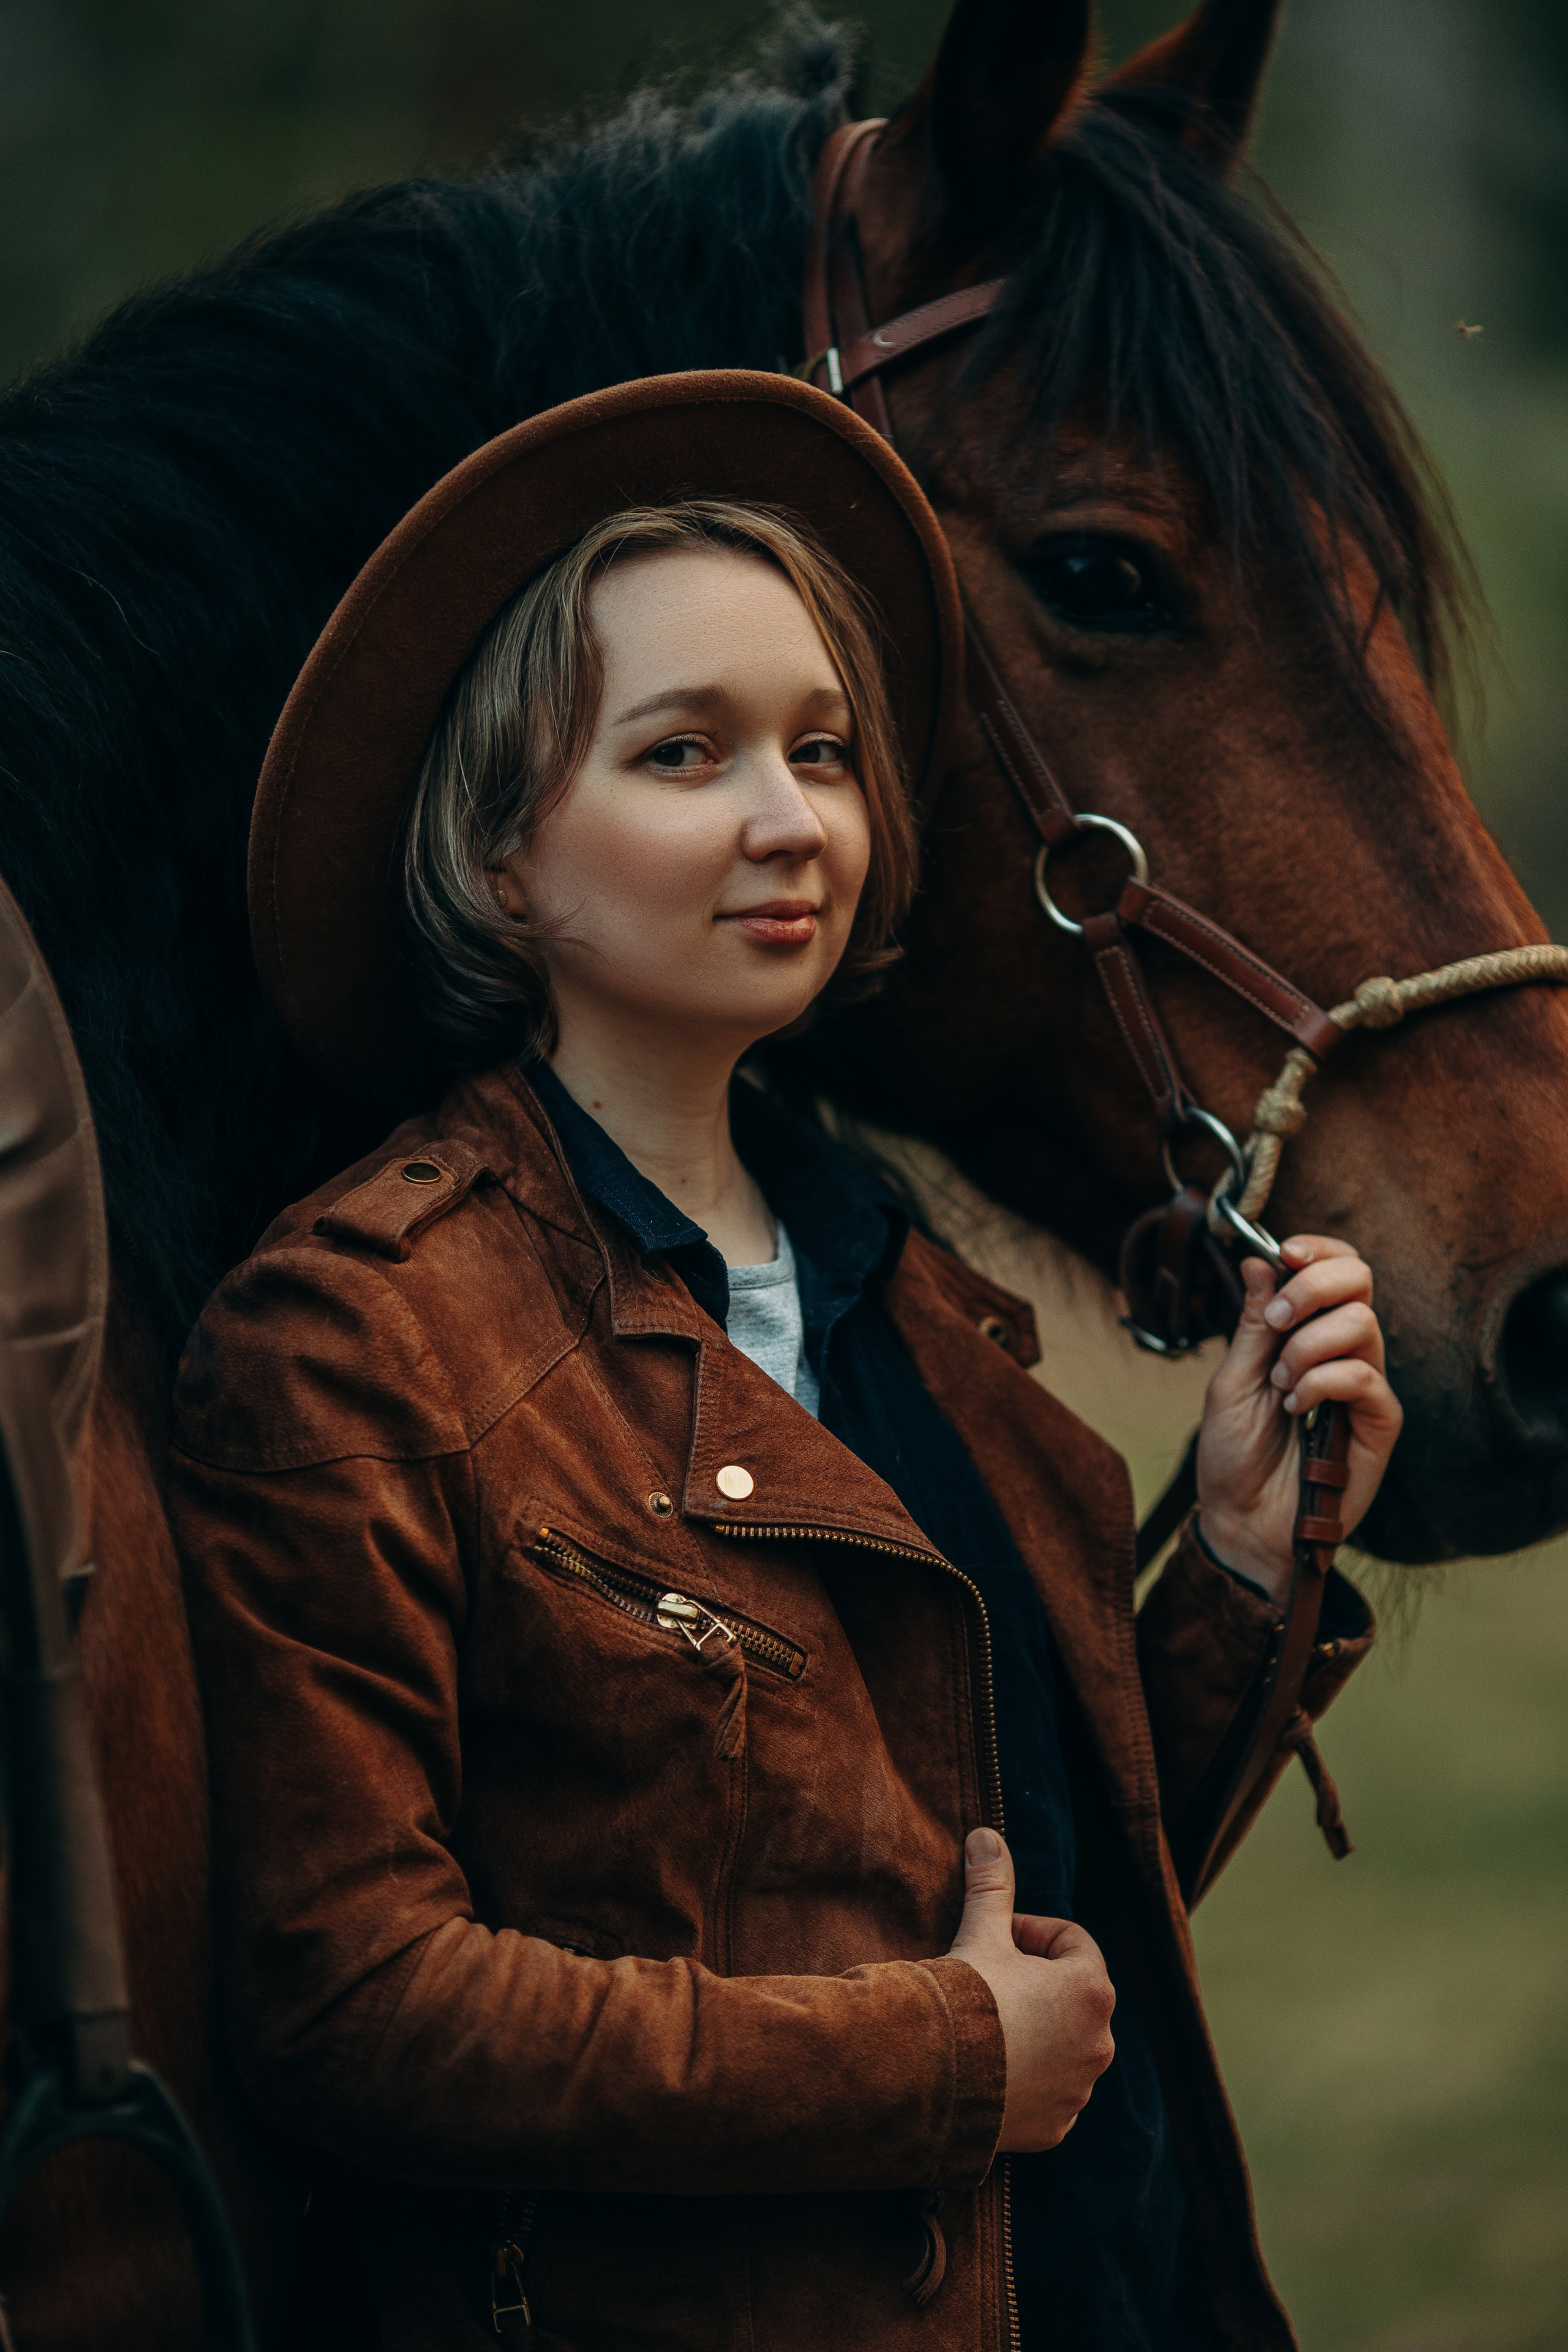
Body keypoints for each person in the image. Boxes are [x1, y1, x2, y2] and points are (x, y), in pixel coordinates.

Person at [171, 371, 1399, 2352]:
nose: (787, 818)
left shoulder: (910, 1299)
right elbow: (352, 2005)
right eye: (683, 752)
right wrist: (935, 2065)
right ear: (498, 859)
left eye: (822, 749)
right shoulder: (358, 1338)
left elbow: (1037, 1884)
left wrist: (1244, 1559)